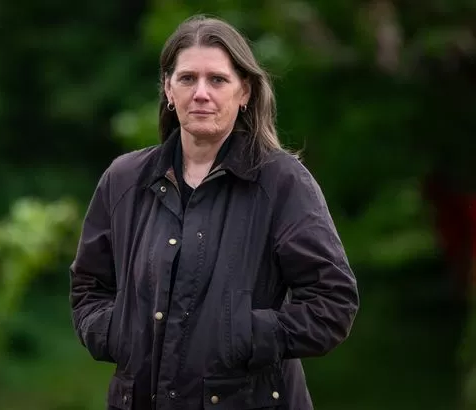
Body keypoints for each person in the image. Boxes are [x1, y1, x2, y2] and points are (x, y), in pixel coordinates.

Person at [70, 14, 359, 410]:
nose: (201, 93)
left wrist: (240, 336)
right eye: (188, 78)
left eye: (218, 80)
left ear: (245, 92)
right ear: (168, 89)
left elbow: (333, 302)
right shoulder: (124, 180)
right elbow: (88, 287)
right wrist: (120, 334)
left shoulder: (282, 183)